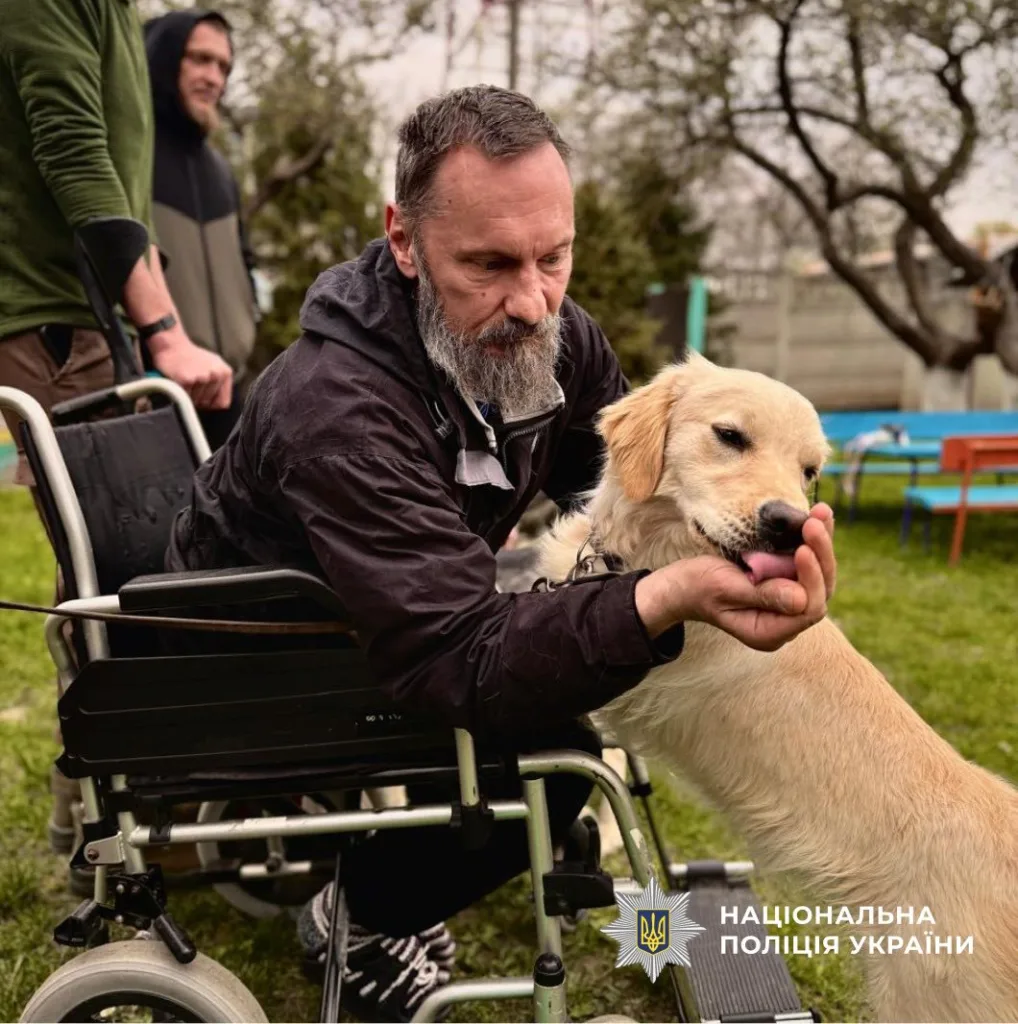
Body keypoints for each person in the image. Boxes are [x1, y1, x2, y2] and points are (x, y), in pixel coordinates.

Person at [165, 85, 837, 1021]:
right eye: (487, 264)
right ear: (402, 240)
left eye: (552, 256)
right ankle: (357, 914)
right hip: (265, 666)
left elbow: (602, 484)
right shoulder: (341, 411)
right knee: (555, 758)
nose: (531, 301)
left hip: (383, 616)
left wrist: (727, 526)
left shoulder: (544, 338)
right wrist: (665, 595)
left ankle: (602, 903)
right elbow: (463, 658)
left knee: (564, 671)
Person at [0, 0, 233, 856]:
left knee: (112, 586)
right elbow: (70, 148)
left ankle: (89, 816)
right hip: (54, 323)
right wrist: (164, 330)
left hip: (96, 322)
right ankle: (107, 828)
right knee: (112, 589)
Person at [143, 9, 261, 450]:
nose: (214, 77)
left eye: (223, 66)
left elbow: (244, 260)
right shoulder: (133, 156)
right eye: (199, 59)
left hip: (229, 390)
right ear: (163, 58)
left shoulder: (220, 170)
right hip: (156, 391)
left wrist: (247, 323)